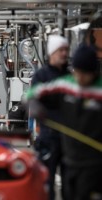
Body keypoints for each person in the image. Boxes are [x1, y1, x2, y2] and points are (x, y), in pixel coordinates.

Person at [27, 44, 102, 200]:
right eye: (77, 72)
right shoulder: (66, 84)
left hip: (95, 164)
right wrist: (33, 103)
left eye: (84, 73)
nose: (79, 78)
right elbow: (33, 92)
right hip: (69, 159)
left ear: (93, 71)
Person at [31, 35, 69, 200]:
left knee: (70, 181)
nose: (64, 54)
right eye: (61, 50)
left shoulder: (70, 76)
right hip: (48, 135)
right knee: (47, 179)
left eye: (66, 50)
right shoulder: (41, 76)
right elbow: (32, 103)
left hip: (69, 138)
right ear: (52, 53)